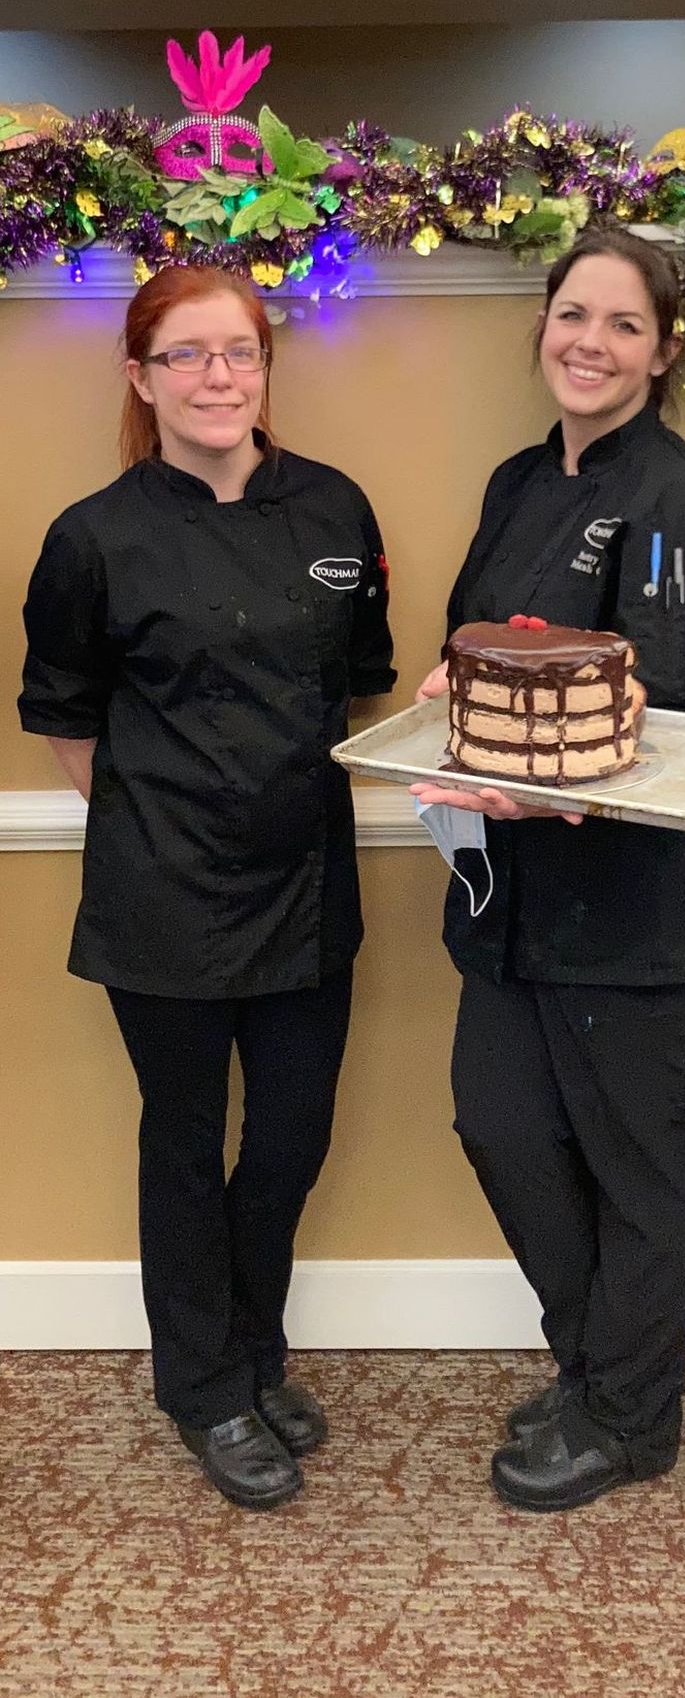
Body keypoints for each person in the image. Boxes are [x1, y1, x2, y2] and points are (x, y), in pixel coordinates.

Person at [20, 263, 394, 1510]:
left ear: (265, 366)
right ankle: (206, 1387)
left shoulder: (337, 509)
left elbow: (357, 684)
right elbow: (68, 721)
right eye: (186, 356)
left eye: (237, 352)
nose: (218, 377)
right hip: (161, 895)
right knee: (184, 1147)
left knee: (288, 1139)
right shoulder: (93, 538)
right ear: (141, 377)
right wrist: (157, 823)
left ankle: (251, 1352)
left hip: (308, 886)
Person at [412, 223, 685, 1512]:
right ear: (541, 326)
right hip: (503, 888)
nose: (589, 343)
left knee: (638, 1162)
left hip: (632, 903)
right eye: (572, 315)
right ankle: (595, 1360)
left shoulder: (675, 501)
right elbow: (480, 643)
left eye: (622, 324)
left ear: (664, 352)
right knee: (501, 1125)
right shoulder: (515, 482)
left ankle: (628, 1413)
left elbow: (673, 699)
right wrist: (453, 694)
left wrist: (544, 778)